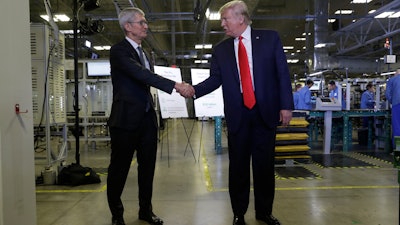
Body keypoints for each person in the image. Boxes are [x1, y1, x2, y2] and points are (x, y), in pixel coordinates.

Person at [186, 1, 293, 224]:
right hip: (238, 115)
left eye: (226, 19)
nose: (222, 24)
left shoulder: (270, 38)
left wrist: (286, 105)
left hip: (265, 112)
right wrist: (194, 90)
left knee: (264, 167)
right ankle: (238, 214)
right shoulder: (221, 50)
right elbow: (216, 79)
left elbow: (282, 73)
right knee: (238, 168)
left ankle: (264, 213)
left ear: (241, 18)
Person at [106, 7, 193, 225]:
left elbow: (146, 80)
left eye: (145, 22)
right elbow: (140, 74)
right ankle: (117, 215)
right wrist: (175, 85)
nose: (146, 26)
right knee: (119, 169)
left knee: (148, 168)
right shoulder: (118, 51)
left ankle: (146, 210)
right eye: (141, 22)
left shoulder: (145, 53)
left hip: (146, 120)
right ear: (128, 26)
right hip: (125, 120)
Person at [385, 69, 400, 150]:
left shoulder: (392, 80)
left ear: (395, 74)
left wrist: (393, 100)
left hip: (397, 104)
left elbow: (387, 94)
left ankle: (398, 150)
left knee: (397, 128)